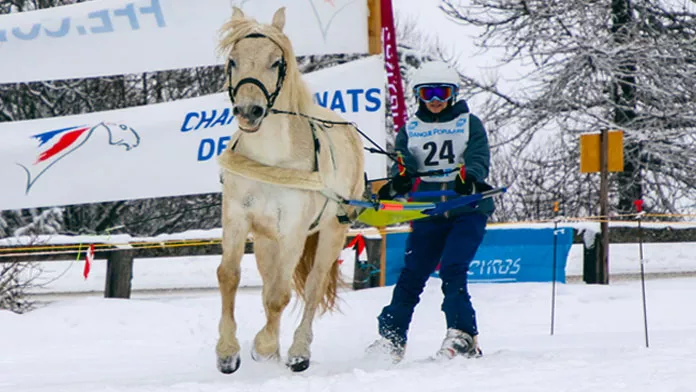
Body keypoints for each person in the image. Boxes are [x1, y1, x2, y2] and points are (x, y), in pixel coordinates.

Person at [366, 60, 495, 363]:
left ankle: (463, 334)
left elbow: (478, 157)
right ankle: (392, 338)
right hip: (428, 210)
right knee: (412, 275)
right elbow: (404, 166)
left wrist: (470, 178)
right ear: (418, 96)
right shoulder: (410, 129)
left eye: (441, 93)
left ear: (452, 94)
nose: (435, 101)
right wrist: (397, 182)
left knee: (452, 268)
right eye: (427, 94)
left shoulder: (469, 123)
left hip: (466, 208)